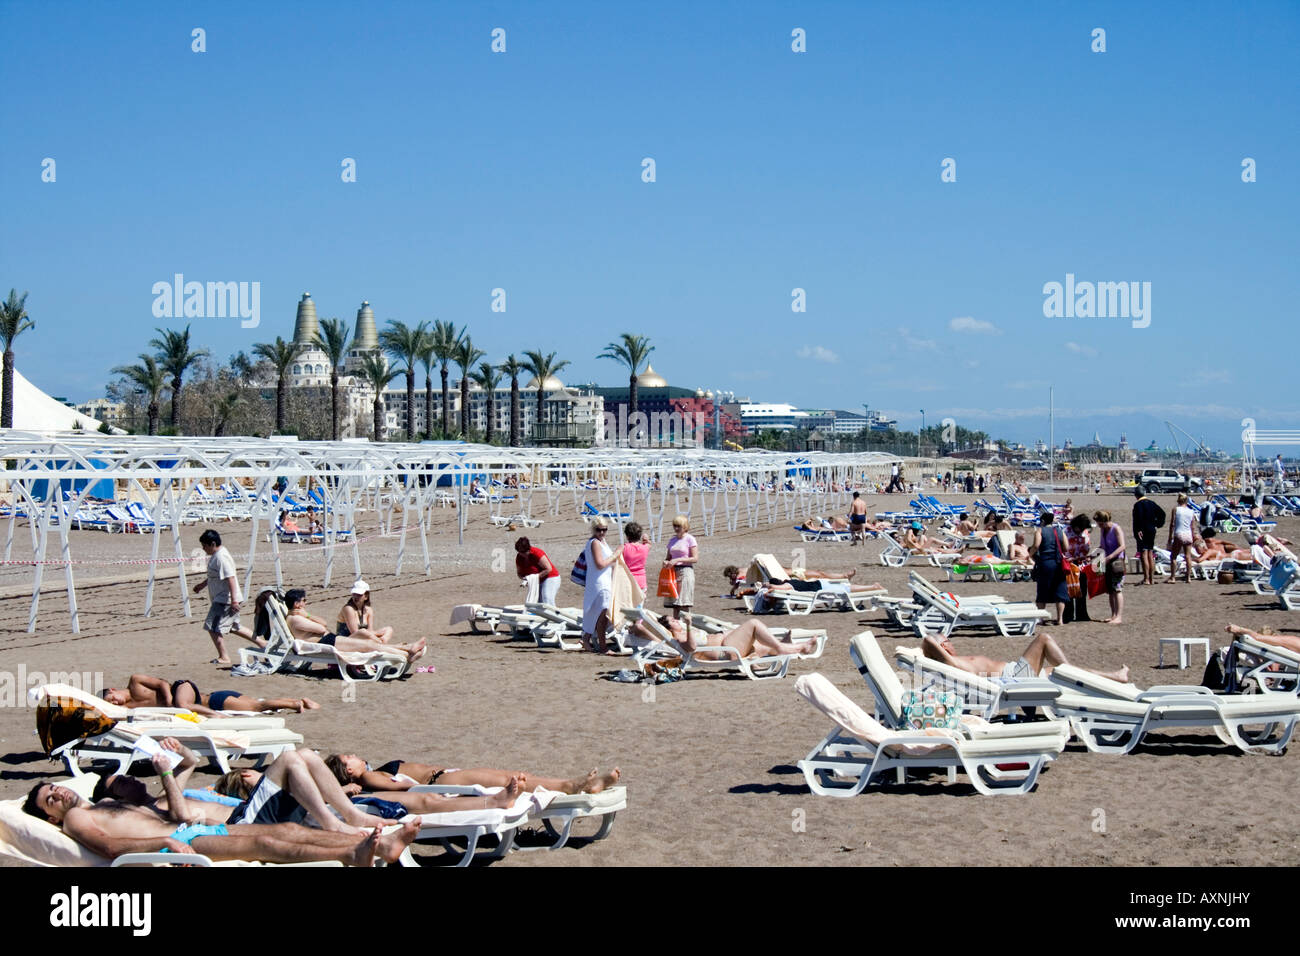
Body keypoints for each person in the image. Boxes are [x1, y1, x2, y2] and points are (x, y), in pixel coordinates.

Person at [324, 754, 620, 801]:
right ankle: (572, 786)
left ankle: (574, 785)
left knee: (516, 776)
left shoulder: (372, 774)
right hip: (441, 782)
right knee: (512, 780)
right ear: (348, 770)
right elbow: (404, 788)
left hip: (446, 776)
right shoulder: (370, 779)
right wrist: (354, 788)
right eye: (348, 757)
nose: (354, 755)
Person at [284, 588, 426, 663]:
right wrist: (306, 616)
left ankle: (407, 648)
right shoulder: (295, 619)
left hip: (329, 640)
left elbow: (323, 623)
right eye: (304, 600)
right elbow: (322, 628)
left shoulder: (299, 617)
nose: (305, 603)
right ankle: (406, 654)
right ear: (297, 604)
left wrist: (308, 615)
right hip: (326, 642)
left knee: (370, 645)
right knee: (369, 646)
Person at [920, 632, 1130, 683]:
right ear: (943, 646)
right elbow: (928, 640)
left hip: (1015, 674)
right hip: (1014, 678)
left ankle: (1114, 676)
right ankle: (1069, 670)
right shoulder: (951, 663)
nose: (952, 643)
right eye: (948, 640)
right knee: (1043, 638)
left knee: (1062, 673)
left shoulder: (952, 662)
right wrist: (937, 644)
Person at [192, 529, 258, 664]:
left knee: (212, 627)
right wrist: (202, 585)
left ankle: (224, 656)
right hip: (223, 598)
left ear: (212, 543)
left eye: (205, 546)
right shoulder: (217, 555)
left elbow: (231, 578)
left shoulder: (221, 557)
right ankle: (262, 643)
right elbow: (215, 576)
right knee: (234, 627)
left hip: (225, 599)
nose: (203, 549)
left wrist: (234, 601)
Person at [633, 614, 818, 661]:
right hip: (726, 651)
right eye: (673, 621)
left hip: (727, 645)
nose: (677, 621)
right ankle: (785, 647)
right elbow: (691, 648)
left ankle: (798, 648)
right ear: (669, 628)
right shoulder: (678, 636)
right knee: (753, 623)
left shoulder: (680, 633)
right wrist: (689, 625)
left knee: (763, 645)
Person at [101, 675, 319, 715]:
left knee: (183, 706)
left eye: (112, 698)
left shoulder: (135, 682)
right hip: (213, 698)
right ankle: (297, 701)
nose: (115, 702)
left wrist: (168, 701)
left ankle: (215, 716)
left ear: (112, 690)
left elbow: (161, 683)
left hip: (181, 688)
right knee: (255, 705)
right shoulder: (127, 708)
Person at [581, 517, 623, 653]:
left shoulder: (601, 542)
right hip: (600, 583)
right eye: (599, 530)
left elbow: (604, 564)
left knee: (596, 613)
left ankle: (586, 640)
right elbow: (600, 564)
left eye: (605, 530)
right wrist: (616, 554)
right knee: (602, 615)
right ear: (594, 529)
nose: (602, 532)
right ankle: (603, 647)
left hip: (602, 581)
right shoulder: (595, 543)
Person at [1029, 510, 1068, 625]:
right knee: (1060, 591)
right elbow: (1066, 547)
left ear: (1042, 521)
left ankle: (1040, 619)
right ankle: (1060, 619)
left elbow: (1036, 545)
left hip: (1045, 563)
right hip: (1059, 563)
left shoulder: (1040, 531)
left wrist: (1030, 554)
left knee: (1042, 591)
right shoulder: (1060, 531)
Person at [1093, 510, 1126, 624]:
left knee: (1117, 588)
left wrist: (1110, 557)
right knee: (1110, 590)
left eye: (1100, 523)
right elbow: (1102, 546)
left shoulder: (1116, 528)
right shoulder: (1103, 530)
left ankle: (1119, 616)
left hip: (1116, 561)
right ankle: (1113, 615)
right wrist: (1093, 555)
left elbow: (1122, 546)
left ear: (1105, 521)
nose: (1099, 526)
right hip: (1106, 561)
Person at [663, 515, 699, 621]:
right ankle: (676, 624)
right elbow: (668, 557)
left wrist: (678, 560)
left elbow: (695, 558)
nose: (676, 528)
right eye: (675, 526)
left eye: (678, 526)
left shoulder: (690, 539)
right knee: (675, 603)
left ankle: (686, 625)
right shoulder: (672, 540)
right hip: (673, 572)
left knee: (684, 602)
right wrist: (666, 561)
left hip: (685, 571)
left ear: (684, 526)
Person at [1062, 514, 1094, 624]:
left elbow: (1087, 547)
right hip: (1069, 564)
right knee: (1070, 589)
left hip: (1082, 564)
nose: (1080, 530)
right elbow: (1063, 548)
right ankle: (1068, 614)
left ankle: (1082, 613)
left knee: (1082, 590)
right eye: (1080, 528)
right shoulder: (1066, 532)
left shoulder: (1084, 532)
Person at [1131, 486, 1165, 586]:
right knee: (1150, 553)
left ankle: (1146, 579)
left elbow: (1138, 518)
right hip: (1151, 530)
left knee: (1144, 554)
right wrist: (1157, 524)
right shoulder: (1151, 503)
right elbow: (1162, 514)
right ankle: (1152, 579)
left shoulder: (1138, 505)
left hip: (1143, 531)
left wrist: (1139, 530)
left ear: (1136, 495)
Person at [514, 537, 561, 605]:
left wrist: (535, 577)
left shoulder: (537, 553)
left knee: (547, 598)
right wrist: (526, 579)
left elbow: (548, 569)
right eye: (520, 552)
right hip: (538, 581)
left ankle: (552, 614)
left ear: (528, 549)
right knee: (538, 602)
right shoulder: (519, 557)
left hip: (550, 577)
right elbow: (519, 573)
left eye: (524, 552)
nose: (522, 554)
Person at [1166, 493, 1199, 584]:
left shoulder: (1176, 509)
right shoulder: (1191, 511)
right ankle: (1188, 577)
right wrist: (1193, 537)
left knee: (1173, 556)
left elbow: (1172, 524)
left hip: (1179, 533)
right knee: (1188, 556)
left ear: (1178, 501)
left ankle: (1173, 577)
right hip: (1188, 534)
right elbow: (1192, 526)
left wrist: (1170, 537)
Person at [620, 523, 651, 591]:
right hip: (641, 582)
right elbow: (649, 544)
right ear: (639, 536)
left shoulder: (624, 548)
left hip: (628, 581)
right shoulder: (644, 548)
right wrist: (646, 539)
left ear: (627, 536)